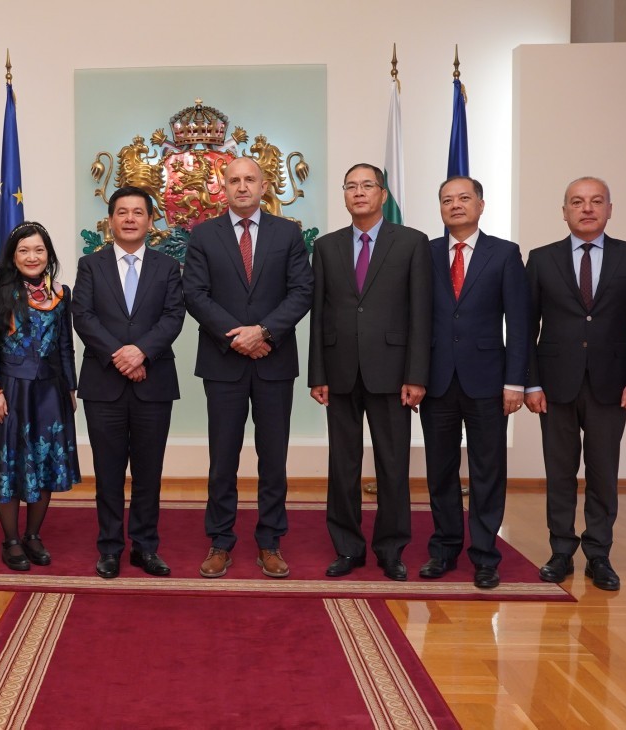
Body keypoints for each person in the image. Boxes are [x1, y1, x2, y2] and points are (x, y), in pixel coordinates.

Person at [182, 156, 314, 579]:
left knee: (272, 458)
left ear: (263, 185)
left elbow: (301, 291)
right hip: (224, 363)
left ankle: (270, 542)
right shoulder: (203, 235)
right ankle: (220, 541)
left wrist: (264, 332)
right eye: (234, 180)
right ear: (223, 186)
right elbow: (196, 295)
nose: (242, 186)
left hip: (274, 361)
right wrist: (238, 336)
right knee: (223, 458)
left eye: (250, 180)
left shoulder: (288, 234)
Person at [525, 176, 626, 592]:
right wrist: (530, 384)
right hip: (554, 383)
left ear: (609, 209)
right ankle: (561, 551)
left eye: (596, 201)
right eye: (577, 202)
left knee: (603, 471)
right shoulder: (541, 258)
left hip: (612, 384)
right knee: (560, 471)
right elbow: (527, 326)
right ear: (563, 211)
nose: (587, 208)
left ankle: (599, 555)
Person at [308, 163, 431, 582]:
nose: (359, 192)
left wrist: (417, 375)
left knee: (392, 465)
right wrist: (316, 373)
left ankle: (391, 549)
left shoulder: (412, 243)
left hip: (393, 372)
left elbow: (420, 314)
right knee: (342, 465)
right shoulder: (326, 247)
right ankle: (347, 547)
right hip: (339, 371)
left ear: (382, 194)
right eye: (351, 187)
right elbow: (319, 315)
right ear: (344, 195)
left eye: (367, 186)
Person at [419, 177, 528, 589]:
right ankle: (444, 549)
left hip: (488, 380)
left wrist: (516, 381)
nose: (455, 205)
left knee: (487, 470)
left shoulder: (504, 254)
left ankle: (485, 555)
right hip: (436, 380)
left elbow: (518, 323)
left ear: (481, 205)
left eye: (464, 198)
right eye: (447, 200)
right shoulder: (425, 253)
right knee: (440, 470)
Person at [73, 186, 185, 579]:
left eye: (138, 212)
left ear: (151, 221)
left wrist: (141, 352)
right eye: (122, 212)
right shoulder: (91, 265)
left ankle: (145, 548)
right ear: (110, 221)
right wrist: (121, 355)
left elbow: (173, 317)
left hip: (154, 382)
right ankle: (109, 548)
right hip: (104, 384)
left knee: (148, 472)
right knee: (107, 472)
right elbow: (83, 317)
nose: (131, 218)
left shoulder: (168, 267)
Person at [0, 221, 80, 571]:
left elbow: (64, 346)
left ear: (49, 255)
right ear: (13, 257)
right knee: (10, 465)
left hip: (49, 393)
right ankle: (11, 540)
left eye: (39, 250)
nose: (32, 256)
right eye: (24, 250)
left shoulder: (61, 293)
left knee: (44, 465)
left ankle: (33, 535)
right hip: (10, 392)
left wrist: (70, 388)